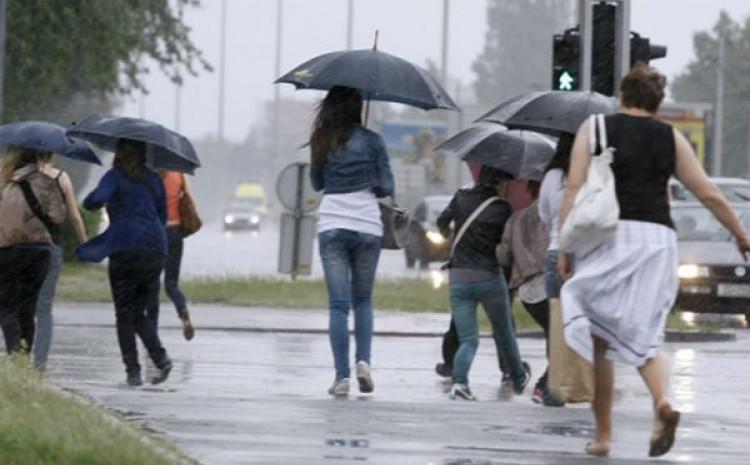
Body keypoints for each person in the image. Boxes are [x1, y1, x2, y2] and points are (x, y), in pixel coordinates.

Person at [558, 64, 750, 458]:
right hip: (659, 241)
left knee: (596, 332)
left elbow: (574, 187)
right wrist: (741, 234)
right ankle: (662, 402)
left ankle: (604, 436)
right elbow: (709, 193)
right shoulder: (671, 138)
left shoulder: (594, 128)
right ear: (658, 102)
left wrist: (564, 247)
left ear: (622, 96)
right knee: (646, 335)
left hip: (610, 235)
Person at [308, 86, 395, 397]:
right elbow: (386, 186)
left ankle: (342, 377)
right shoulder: (373, 141)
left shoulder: (322, 142)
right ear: (358, 108)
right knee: (363, 301)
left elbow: (317, 184)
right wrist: (367, 176)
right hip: (367, 226)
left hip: (332, 224)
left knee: (338, 306)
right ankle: (364, 362)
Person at [77, 139, 173, 386]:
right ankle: (160, 358)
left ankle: (133, 371)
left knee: (124, 312)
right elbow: (162, 215)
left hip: (126, 248)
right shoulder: (154, 179)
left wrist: (100, 201)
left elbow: (94, 201)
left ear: (119, 153)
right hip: (155, 249)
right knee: (139, 310)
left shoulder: (115, 176)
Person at [437, 166, 531, 401]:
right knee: (504, 331)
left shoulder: (460, 198)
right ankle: (518, 376)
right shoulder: (502, 209)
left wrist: (453, 238)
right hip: (489, 277)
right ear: (499, 182)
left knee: (468, 339)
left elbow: (441, 223)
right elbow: (507, 245)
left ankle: (460, 384)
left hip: (458, 278)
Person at [496, 180, 563, 407]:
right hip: (549, 282)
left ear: (530, 191)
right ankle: (545, 386)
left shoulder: (515, 219)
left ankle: (551, 385)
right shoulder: (552, 218)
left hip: (526, 291)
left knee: (552, 333)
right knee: (560, 336)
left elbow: (503, 256)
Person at [0, 147, 66, 355]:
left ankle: (14, 353)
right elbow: (58, 217)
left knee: (7, 306)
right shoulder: (46, 182)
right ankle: (25, 357)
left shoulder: (4, 182)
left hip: (8, 250)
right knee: (27, 309)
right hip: (39, 252)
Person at [33, 153, 88, 371]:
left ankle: (17, 355)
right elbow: (74, 216)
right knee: (44, 308)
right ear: (52, 154)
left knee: (21, 305)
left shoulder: (18, 177)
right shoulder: (61, 178)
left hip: (22, 246)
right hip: (51, 247)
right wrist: (84, 244)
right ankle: (39, 364)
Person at [146, 170, 195, 341]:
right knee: (171, 284)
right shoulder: (180, 174)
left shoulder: (150, 176)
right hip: (175, 232)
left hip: (156, 233)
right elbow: (188, 199)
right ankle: (182, 311)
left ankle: (152, 333)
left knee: (152, 286)